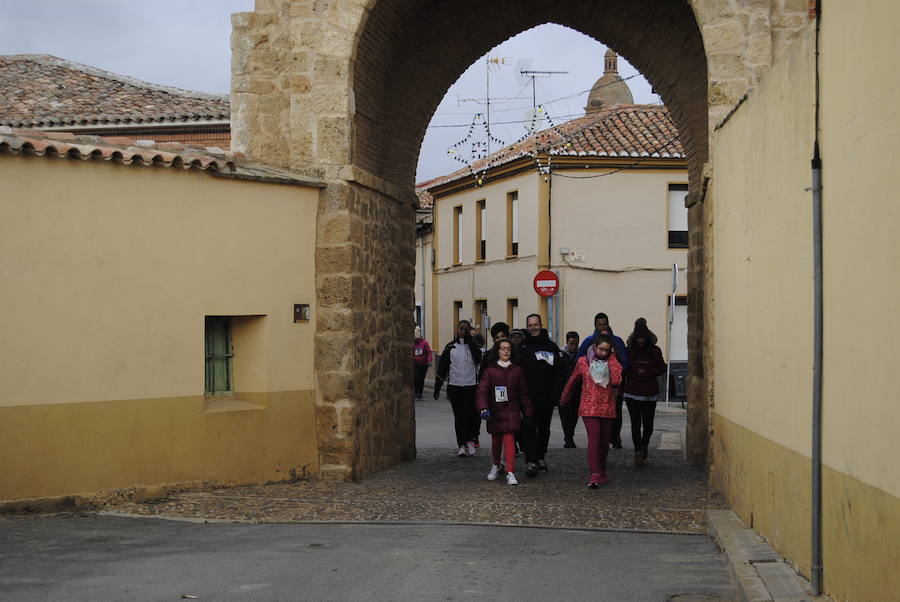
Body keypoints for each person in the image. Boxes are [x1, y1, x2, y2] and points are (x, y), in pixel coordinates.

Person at [560, 334, 623, 488]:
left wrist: (612, 360)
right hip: (589, 407)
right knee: (594, 439)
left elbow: (616, 380)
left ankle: (601, 468)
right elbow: (573, 380)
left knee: (604, 442)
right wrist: (564, 398)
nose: (603, 352)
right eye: (601, 349)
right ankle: (594, 473)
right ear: (594, 347)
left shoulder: (613, 362)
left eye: (606, 350)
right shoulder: (583, 362)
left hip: (607, 407)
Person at [476, 339, 533, 486]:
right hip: (495, 411)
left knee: (509, 441)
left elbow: (523, 394)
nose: (506, 351)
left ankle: (510, 471)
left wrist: (528, 411)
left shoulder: (517, 371)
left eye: (508, 348)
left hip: (511, 411)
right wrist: (483, 407)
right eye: (503, 348)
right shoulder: (490, 371)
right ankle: (496, 464)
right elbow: (482, 391)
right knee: (496, 442)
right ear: (497, 351)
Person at [519, 313, 565, 476]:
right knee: (529, 428)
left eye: (536, 324)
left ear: (541, 325)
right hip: (528, 398)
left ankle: (540, 457)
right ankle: (530, 461)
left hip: (547, 397)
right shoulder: (522, 348)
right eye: (530, 325)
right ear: (527, 327)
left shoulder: (551, 347)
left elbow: (560, 372)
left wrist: (555, 394)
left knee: (544, 429)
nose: (533, 328)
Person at [577, 312, 629, 448]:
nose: (602, 327)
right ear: (595, 325)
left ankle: (615, 437)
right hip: (593, 388)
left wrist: (615, 373)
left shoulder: (617, 341)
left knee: (615, 413)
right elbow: (579, 361)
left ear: (608, 324)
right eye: (599, 325)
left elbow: (625, 362)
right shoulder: (588, 341)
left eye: (604, 324)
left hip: (612, 386)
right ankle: (598, 441)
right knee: (595, 418)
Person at [434, 320, 483, 457]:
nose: (463, 331)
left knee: (471, 415)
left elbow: (478, 358)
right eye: (461, 328)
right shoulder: (450, 347)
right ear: (457, 330)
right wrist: (437, 387)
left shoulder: (473, 346)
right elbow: (442, 368)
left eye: (466, 329)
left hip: (471, 386)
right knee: (459, 416)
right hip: (455, 387)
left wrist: (470, 341)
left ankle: (470, 441)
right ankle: (461, 444)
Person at [623, 318, 667, 466]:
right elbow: (623, 366)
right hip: (632, 392)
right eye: (638, 337)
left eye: (643, 337)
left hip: (649, 393)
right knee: (635, 425)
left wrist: (649, 372)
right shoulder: (628, 350)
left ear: (647, 337)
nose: (640, 340)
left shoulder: (655, 351)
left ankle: (644, 444)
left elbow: (662, 367)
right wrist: (634, 373)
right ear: (634, 337)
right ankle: (637, 451)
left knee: (648, 425)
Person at [557, 331, 581, 448]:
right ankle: (568, 438)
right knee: (565, 416)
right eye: (572, 344)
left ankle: (569, 436)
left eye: (576, 344)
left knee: (574, 416)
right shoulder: (560, 355)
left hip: (576, 391)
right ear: (567, 342)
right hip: (563, 390)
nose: (574, 346)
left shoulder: (580, 355)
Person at [413, 326, 433, 401]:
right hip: (415, 363)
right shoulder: (413, 343)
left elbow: (429, 352)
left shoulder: (424, 343)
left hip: (424, 364)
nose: (416, 340)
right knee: (416, 378)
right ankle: (416, 393)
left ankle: (420, 393)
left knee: (421, 379)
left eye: (417, 339)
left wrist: (429, 360)